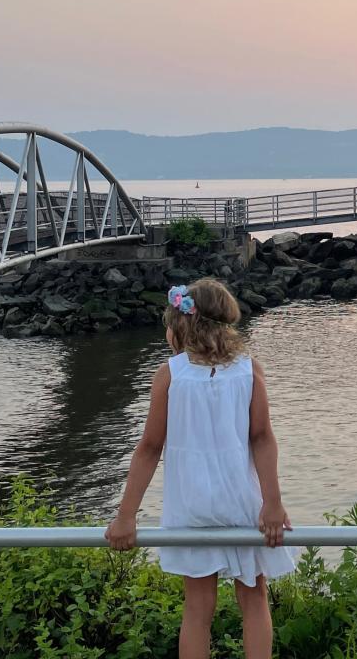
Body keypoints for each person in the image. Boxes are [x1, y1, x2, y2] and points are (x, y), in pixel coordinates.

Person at [105, 278, 294, 659]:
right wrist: (272, 502)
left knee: (197, 609)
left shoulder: (170, 374)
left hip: (191, 502)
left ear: (181, 326)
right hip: (240, 498)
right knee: (254, 598)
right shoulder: (248, 370)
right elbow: (261, 438)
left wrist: (126, 515)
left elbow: (149, 448)